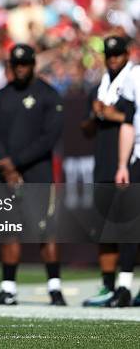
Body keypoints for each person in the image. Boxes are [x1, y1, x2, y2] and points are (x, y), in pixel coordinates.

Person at [0, 44, 66, 306]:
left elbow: (49, 138)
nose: (20, 68)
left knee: (45, 230)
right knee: (8, 229)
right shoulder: (1, 96)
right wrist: (6, 165)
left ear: (33, 65)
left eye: (25, 64)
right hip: (5, 175)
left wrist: (14, 163)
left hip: (37, 172)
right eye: (15, 64)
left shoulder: (48, 95)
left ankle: (55, 288)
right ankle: (8, 290)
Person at [80, 36, 132, 306]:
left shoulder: (133, 82)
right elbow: (86, 130)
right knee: (104, 229)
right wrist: (94, 115)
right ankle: (108, 285)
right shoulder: (98, 88)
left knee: (129, 227)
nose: (113, 59)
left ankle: (125, 286)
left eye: (118, 54)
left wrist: (113, 115)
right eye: (109, 55)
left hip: (128, 163)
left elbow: (133, 118)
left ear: (127, 54)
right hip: (103, 163)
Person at [109, 37, 140, 308]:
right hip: (139, 156)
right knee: (130, 224)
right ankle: (125, 286)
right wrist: (122, 164)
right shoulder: (135, 76)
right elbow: (128, 122)